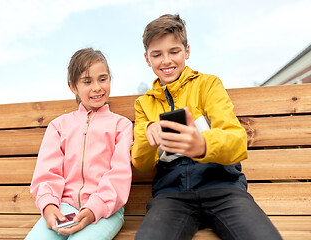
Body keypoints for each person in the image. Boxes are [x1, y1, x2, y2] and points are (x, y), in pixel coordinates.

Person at [132, 14, 282, 240]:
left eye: (174, 51)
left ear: (187, 51)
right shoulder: (144, 104)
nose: (166, 61)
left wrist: (202, 145)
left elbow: (237, 141)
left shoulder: (208, 85)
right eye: (157, 54)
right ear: (147, 58)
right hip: (171, 196)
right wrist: (148, 133)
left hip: (224, 190)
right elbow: (141, 163)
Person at [25, 48, 133, 240]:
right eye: (87, 81)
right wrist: (49, 206)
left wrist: (94, 209)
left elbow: (119, 175)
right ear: (73, 87)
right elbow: (47, 173)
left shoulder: (121, 126)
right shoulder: (58, 126)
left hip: (105, 211)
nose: (97, 87)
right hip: (63, 208)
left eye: (103, 79)